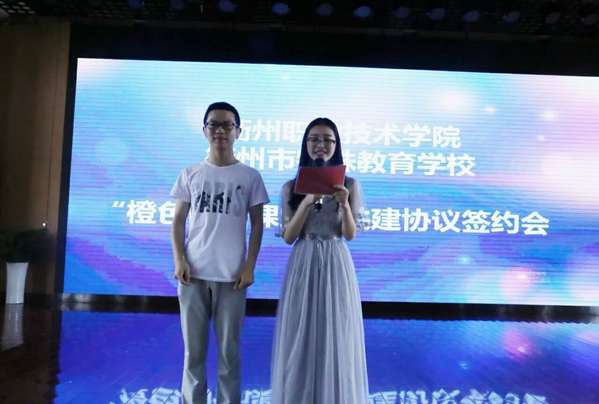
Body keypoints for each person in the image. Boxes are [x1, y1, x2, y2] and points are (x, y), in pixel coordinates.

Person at [170, 102, 269, 404]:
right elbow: (178, 220)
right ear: (204, 130)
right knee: (193, 354)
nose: (220, 130)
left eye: (227, 125)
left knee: (229, 353)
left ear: (238, 131)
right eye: (214, 124)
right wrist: (179, 259)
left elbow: (258, 224)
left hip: (232, 278)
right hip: (193, 276)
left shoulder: (250, 176)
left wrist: (249, 266)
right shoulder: (191, 173)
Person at [270, 117, 369, 403]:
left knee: (337, 331)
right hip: (304, 259)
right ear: (305, 144)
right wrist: (307, 200)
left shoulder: (350, 185)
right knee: (300, 331)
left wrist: (344, 204)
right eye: (314, 139)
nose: (320, 145)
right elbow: (289, 236)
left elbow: (350, 234)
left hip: (336, 259)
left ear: (337, 145)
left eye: (327, 139)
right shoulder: (291, 187)